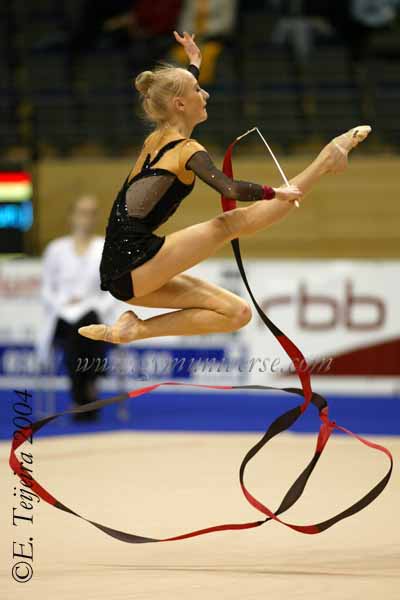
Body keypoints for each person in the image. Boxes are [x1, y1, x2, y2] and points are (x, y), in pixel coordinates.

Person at [78, 31, 371, 345]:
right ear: (179, 104)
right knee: (227, 225)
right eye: (197, 89)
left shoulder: (157, 137)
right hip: (132, 263)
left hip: (128, 269)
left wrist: (195, 61)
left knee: (237, 313)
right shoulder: (186, 150)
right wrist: (274, 192)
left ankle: (134, 331)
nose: (205, 95)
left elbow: (175, 90)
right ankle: (326, 160)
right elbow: (229, 189)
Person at [39, 195, 115, 421]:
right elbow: (46, 289)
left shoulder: (105, 248)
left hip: (95, 313)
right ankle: (88, 389)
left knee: (87, 322)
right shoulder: (56, 249)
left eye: (91, 213)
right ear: (71, 216)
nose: (86, 218)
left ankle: (79, 395)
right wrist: (62, 304)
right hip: (62, 315)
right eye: (82, 212)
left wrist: (94, 306)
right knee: (76, 329)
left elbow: (112, 289)